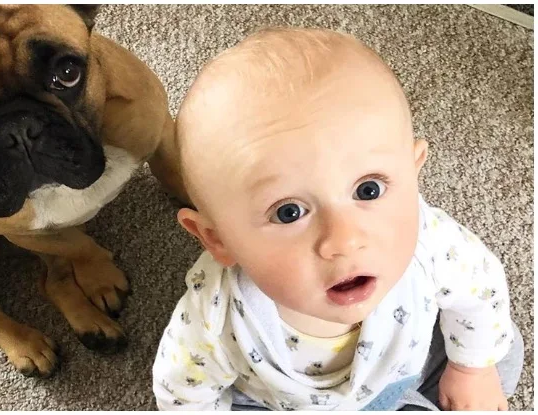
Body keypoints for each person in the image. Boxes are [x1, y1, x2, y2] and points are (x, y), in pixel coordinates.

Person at [152, 27, 524, 411]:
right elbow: (182, 393)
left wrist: (470, 372)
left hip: (404, 369)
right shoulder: (215, 317)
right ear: (217, 240)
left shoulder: (433, 246)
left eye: (368, 190)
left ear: (412, 174)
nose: (343, 241)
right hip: (284, 401)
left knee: (499, 346)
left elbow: (481, 290)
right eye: (288, 212)